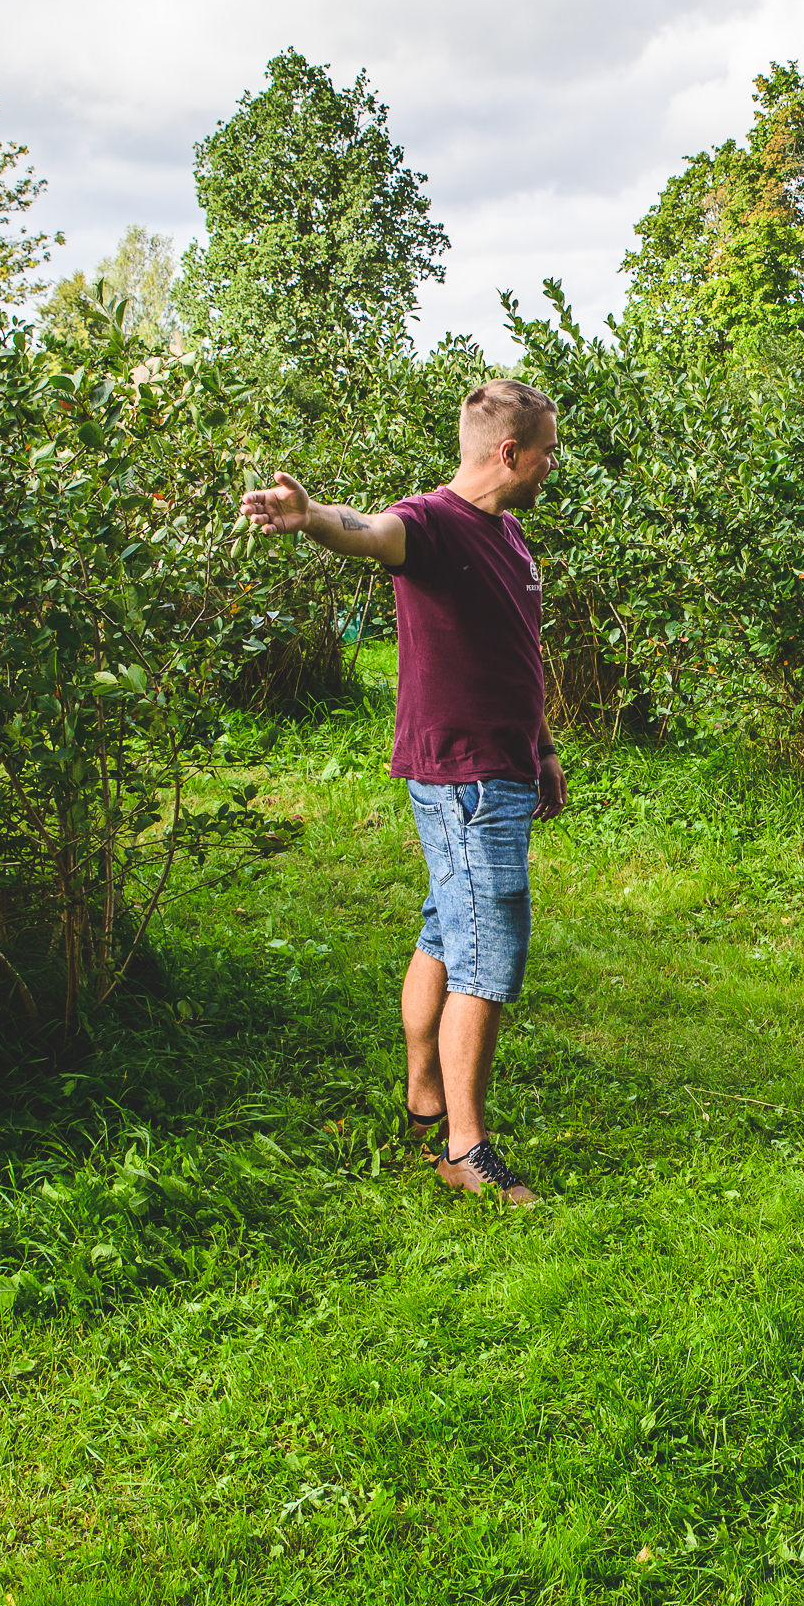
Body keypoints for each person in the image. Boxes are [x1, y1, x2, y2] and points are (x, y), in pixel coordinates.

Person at [235, 379, 568, 1209]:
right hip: (464, 778)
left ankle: (425, 1106)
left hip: (502, 766)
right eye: (547, 451)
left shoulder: (510, 534)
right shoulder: (430, 522)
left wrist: (543, 748)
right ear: (508, 452)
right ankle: (467, 1146)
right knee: (487, 956)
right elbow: (370, 533)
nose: (552, 464)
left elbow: (514, 652)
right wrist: (311, 517)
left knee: (446, 932)